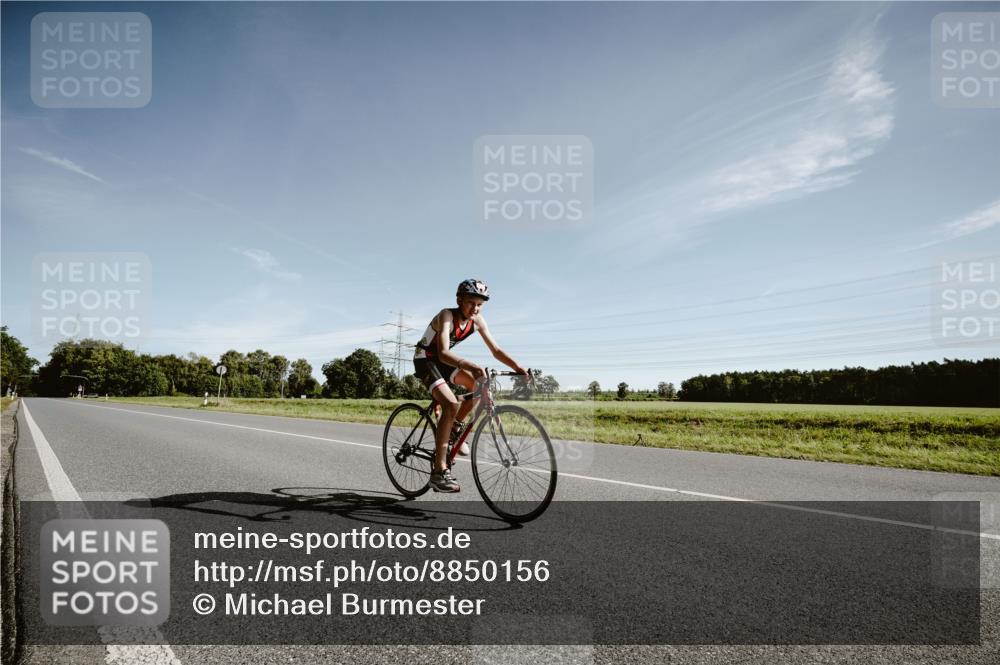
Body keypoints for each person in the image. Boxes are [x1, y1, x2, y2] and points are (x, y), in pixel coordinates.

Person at [413, 279, 528, 493]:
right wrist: (472, 365)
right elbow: (443, 352)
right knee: (450, 403)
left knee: (480, 385)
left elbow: (495, 350)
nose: (475, 308)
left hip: (443, 362)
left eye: (479, 305)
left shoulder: (477, 320)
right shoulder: (446, 315)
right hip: (426, 359)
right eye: (470, 303)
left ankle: (455, 427)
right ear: (459, 300)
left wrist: (518, 367)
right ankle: (439, 472)